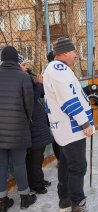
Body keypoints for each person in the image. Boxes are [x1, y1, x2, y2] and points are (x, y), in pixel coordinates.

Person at [43, 37, 98, 212]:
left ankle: (65, 201)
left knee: (66, 164)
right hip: (72, 128)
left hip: (65, 129)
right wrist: (85, 123)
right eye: (74, 51)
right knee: (77, 167)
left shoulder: (55, 69)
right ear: (66, 52)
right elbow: (68, 101)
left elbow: (70, 94)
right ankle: (78, 209)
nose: (76, 55)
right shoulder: (59, 69)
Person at [0, 46, 36, 212]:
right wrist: (26, 119)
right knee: (19, 163)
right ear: (16, 59)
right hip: (18, 127)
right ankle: (24, 198)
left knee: (1, 165)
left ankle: (2, 201)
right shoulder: (23, 77)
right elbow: (30, 104)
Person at [18, 55, 54, 195]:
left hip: (38, 122)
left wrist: (40, 83)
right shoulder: (20, 80)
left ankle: (39, 179)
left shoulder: (27, 77)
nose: (28, 67)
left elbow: (41, 94)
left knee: (38, 155)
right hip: (32, 123)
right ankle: (36, 184)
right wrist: (38, 84)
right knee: (34, 155)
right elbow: (31, 101)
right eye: (25, 65)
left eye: (28, 64)